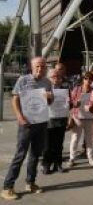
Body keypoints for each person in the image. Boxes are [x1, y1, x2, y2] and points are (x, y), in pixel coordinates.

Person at [1, 57, 54, 200]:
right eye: (37, 66)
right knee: (20, 155)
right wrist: (19, 117)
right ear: (32, 67)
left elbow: (49, 102)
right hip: (26, 124)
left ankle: (30, 182)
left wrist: (50, 96)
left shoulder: (48, 82)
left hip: (41, 124)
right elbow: (15, 99)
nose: (40, 69)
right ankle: (7, 187)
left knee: (35, 154)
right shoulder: (23, 80)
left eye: (43, 66)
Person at [42, 69, 70, 174]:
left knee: (59, 144)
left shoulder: (65, 90)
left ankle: (58, 165)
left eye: (58, 76)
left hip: (61, 120)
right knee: (47, 145)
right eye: (53, 77)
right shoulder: (44, 90)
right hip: (48, 120)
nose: (56, 79)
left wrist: (69, 103)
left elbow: (69, 106)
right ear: (48, 78)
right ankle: (46, 165)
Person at [68, 71, 93, 168]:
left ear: (92, 80)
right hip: (77, 117)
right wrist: (75, 103)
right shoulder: (77, 89)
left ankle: (90, 157)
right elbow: (70, 101)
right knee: (75, 138)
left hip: (89, 118)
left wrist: (92, 106)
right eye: (86, 78)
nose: (88, 81)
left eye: (90, 79)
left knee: (89, 139)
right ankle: (72, 158)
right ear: (83, 79)